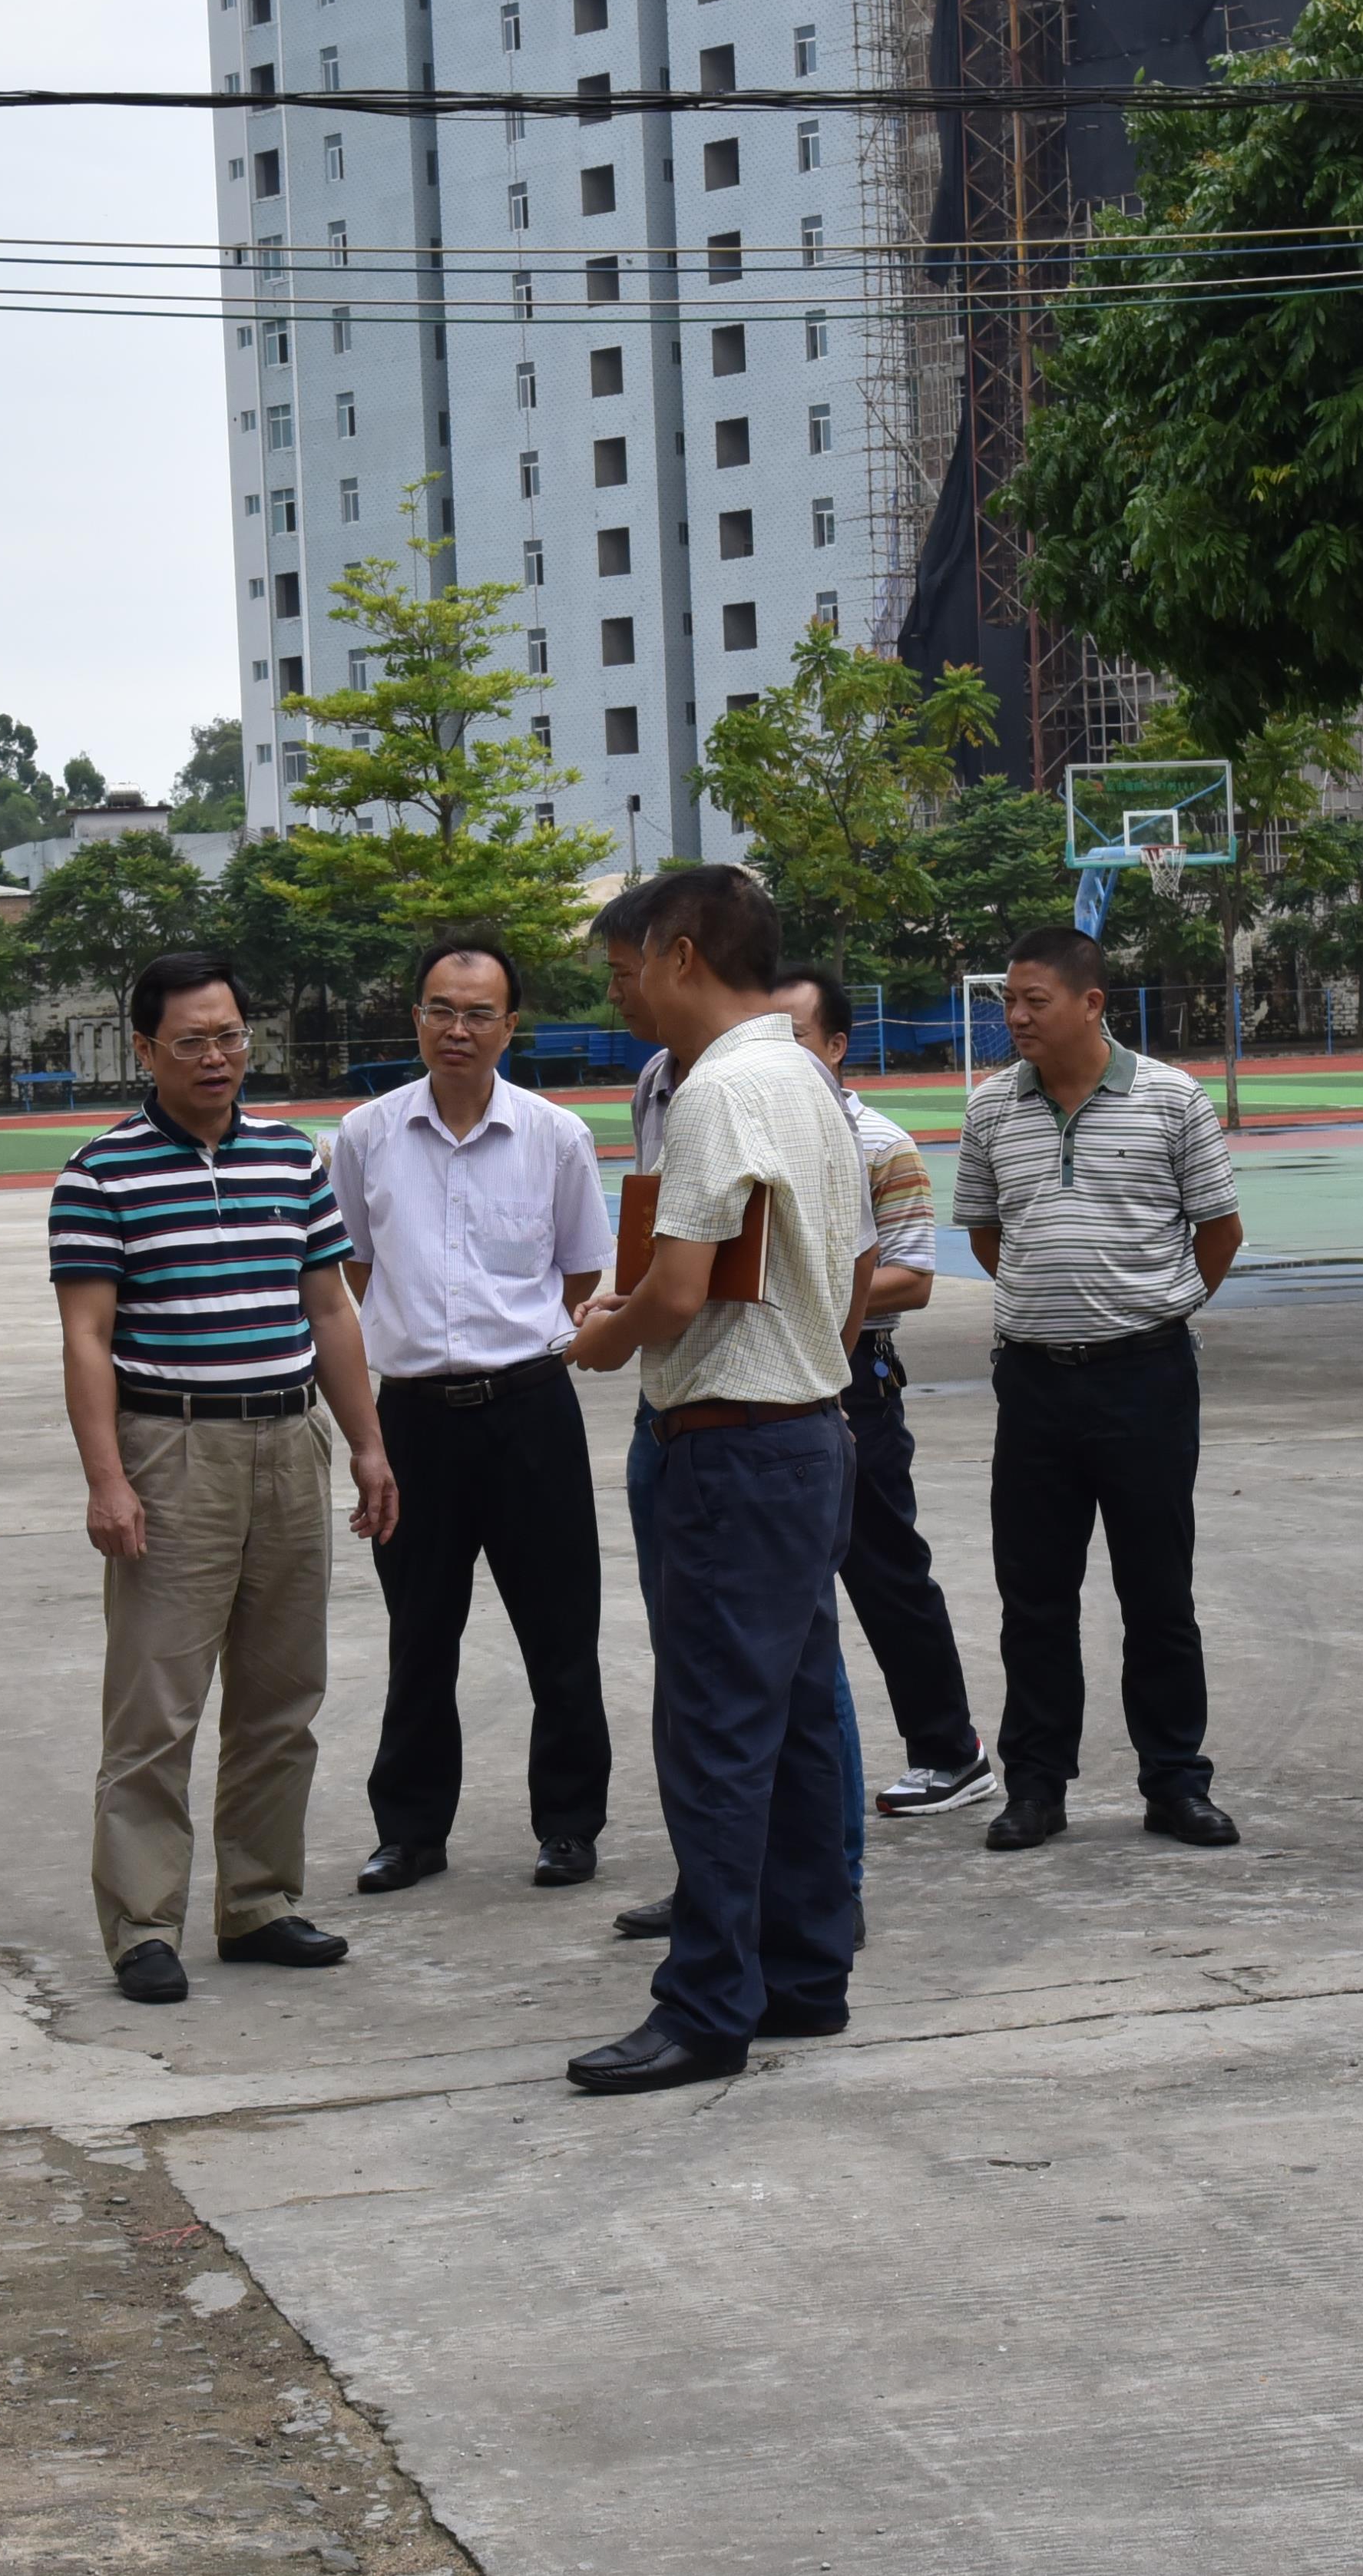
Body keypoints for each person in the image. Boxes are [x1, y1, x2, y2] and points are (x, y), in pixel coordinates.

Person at [562, 865, 865, 2093]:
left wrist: (602, 1333)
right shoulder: (800, 1074)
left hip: (732, 1442)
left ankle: (703, 2003)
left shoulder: (719, 1089)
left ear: (682, 954)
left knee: (715, 1737)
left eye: (625, 965)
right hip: (805, 1428)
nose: (621, 989)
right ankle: (802, 1970)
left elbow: (679, 1291)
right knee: (788, 1721)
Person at [51, 948, 398, 2007]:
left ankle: (257, 1900)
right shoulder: (98, 1173)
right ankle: (143, 1922)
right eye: (192, 1040)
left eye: (231, 1035)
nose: (216, 1056)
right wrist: (107, 1480)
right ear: (143, 1048)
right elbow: (86, 1337)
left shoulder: (289, 1159)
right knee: (156, 1703)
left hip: (287, 1442)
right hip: (173, 1449)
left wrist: (369, 1443)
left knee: (281, 1693)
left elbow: (331, 1309)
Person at [330, 933, 616, 1893]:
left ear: (510, 1027)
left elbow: (580, 1274)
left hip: (530, 1408)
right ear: (415, 1018)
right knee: (419, 1632)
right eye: (440, 1010)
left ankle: (570, 1824)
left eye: (478, 1012)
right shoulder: (366, 1135)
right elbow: (354, 1271)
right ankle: (410, 1831)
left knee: (560, 1628)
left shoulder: (554, 1136)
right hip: (413, 1418)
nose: (458, 1029)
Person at [951, 927, 1245, 1853]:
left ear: (1091, 1004)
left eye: (1035, 1001)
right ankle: (1037, 1785)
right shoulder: (993, 1108)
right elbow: (988, 1237)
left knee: (1159, 1591)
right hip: (1034, 1381)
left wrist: (1156, 1307)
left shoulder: (1171, 1099)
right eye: (1010, 1001)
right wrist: (1052, 1302)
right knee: (1034, 1595)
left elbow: (1219, 1231)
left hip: (1144, 1378)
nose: (1016, 1018)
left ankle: (1175, 1782)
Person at [782, 970, 993, 1823]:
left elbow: (909, 1279)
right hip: (762, 1384)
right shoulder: (743, 1128)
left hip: (853, 1381)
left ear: (837, 1047)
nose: (779, 1054)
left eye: (797, 1036)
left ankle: (950, 1751)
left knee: (885, 1572)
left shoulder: (879, 1145)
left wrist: (793, 1303)